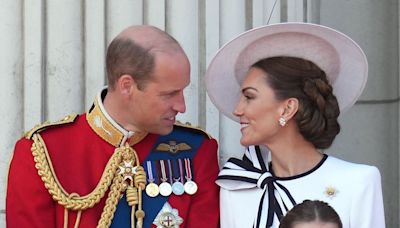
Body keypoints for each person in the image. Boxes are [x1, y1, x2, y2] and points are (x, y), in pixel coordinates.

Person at [6, 25, 220, 228]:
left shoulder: (197, 151)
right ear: (127, 86)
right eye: (169, 94)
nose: (181, 106)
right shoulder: (43, 152)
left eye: (182, 91)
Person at [205, 22, 385, 227]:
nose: (237, 110)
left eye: (249, 97)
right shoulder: (236, 187)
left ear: (288, 108)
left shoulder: (358, 182)